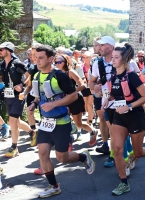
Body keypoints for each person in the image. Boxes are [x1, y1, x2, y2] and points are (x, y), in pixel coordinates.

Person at [29, 45, 95, 198]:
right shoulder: (37, 76)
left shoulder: (60, 75)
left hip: (61, 123)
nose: (37, 61)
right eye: (35, 57)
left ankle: (83, 157)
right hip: (45, 123)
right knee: (43, 154)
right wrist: (34, 104)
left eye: (40, 58)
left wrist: (53, 104)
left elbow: (72, 96)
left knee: (62, 158)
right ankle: (54, 186)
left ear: (50, 59)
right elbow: (39, 96)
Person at [101, 43, 145, 196]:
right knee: (118, 150)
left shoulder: (132, 76)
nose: (112, 60)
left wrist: (129, 106)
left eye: (116, 57)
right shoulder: (113, 75)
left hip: (134, 116)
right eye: (112, 57)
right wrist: (107, 99)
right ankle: (123, 183)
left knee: (138, 152)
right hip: (119, 117)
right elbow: (110, 92)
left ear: (124, 59)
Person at [0, 42, 36, 158]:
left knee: (12, 121)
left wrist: (23, 85)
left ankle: (14, 147)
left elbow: (30, 76)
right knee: (17, 122)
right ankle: (32, 132)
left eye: (1, 49)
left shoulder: (17, 64)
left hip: (18, 96)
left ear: (8, 50)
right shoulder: (1, 65)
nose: (0, 51)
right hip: (8, 95)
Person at [55, 54, 98, 144]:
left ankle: (92, 131)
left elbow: (82, 85)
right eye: (55, 62)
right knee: (62, 120)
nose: (57, 64)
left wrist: (73, 92)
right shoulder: (56, 73)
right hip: (63, 100)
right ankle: (66, 140)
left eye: (59, 62)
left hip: (75, 100)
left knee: (78, 124)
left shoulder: (70, 72)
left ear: (65, 62)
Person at [89, 36, 115, 160]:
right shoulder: (97, 63)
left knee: (116, 126)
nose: (99, 47)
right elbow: (91, 82)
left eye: (102, 45)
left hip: (119, 98)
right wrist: (96, 88)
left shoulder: (122, 60)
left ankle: (119, 151)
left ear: (111, 47)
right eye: (98, 45)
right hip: (104, 98)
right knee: (103, 120)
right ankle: (107, 146)